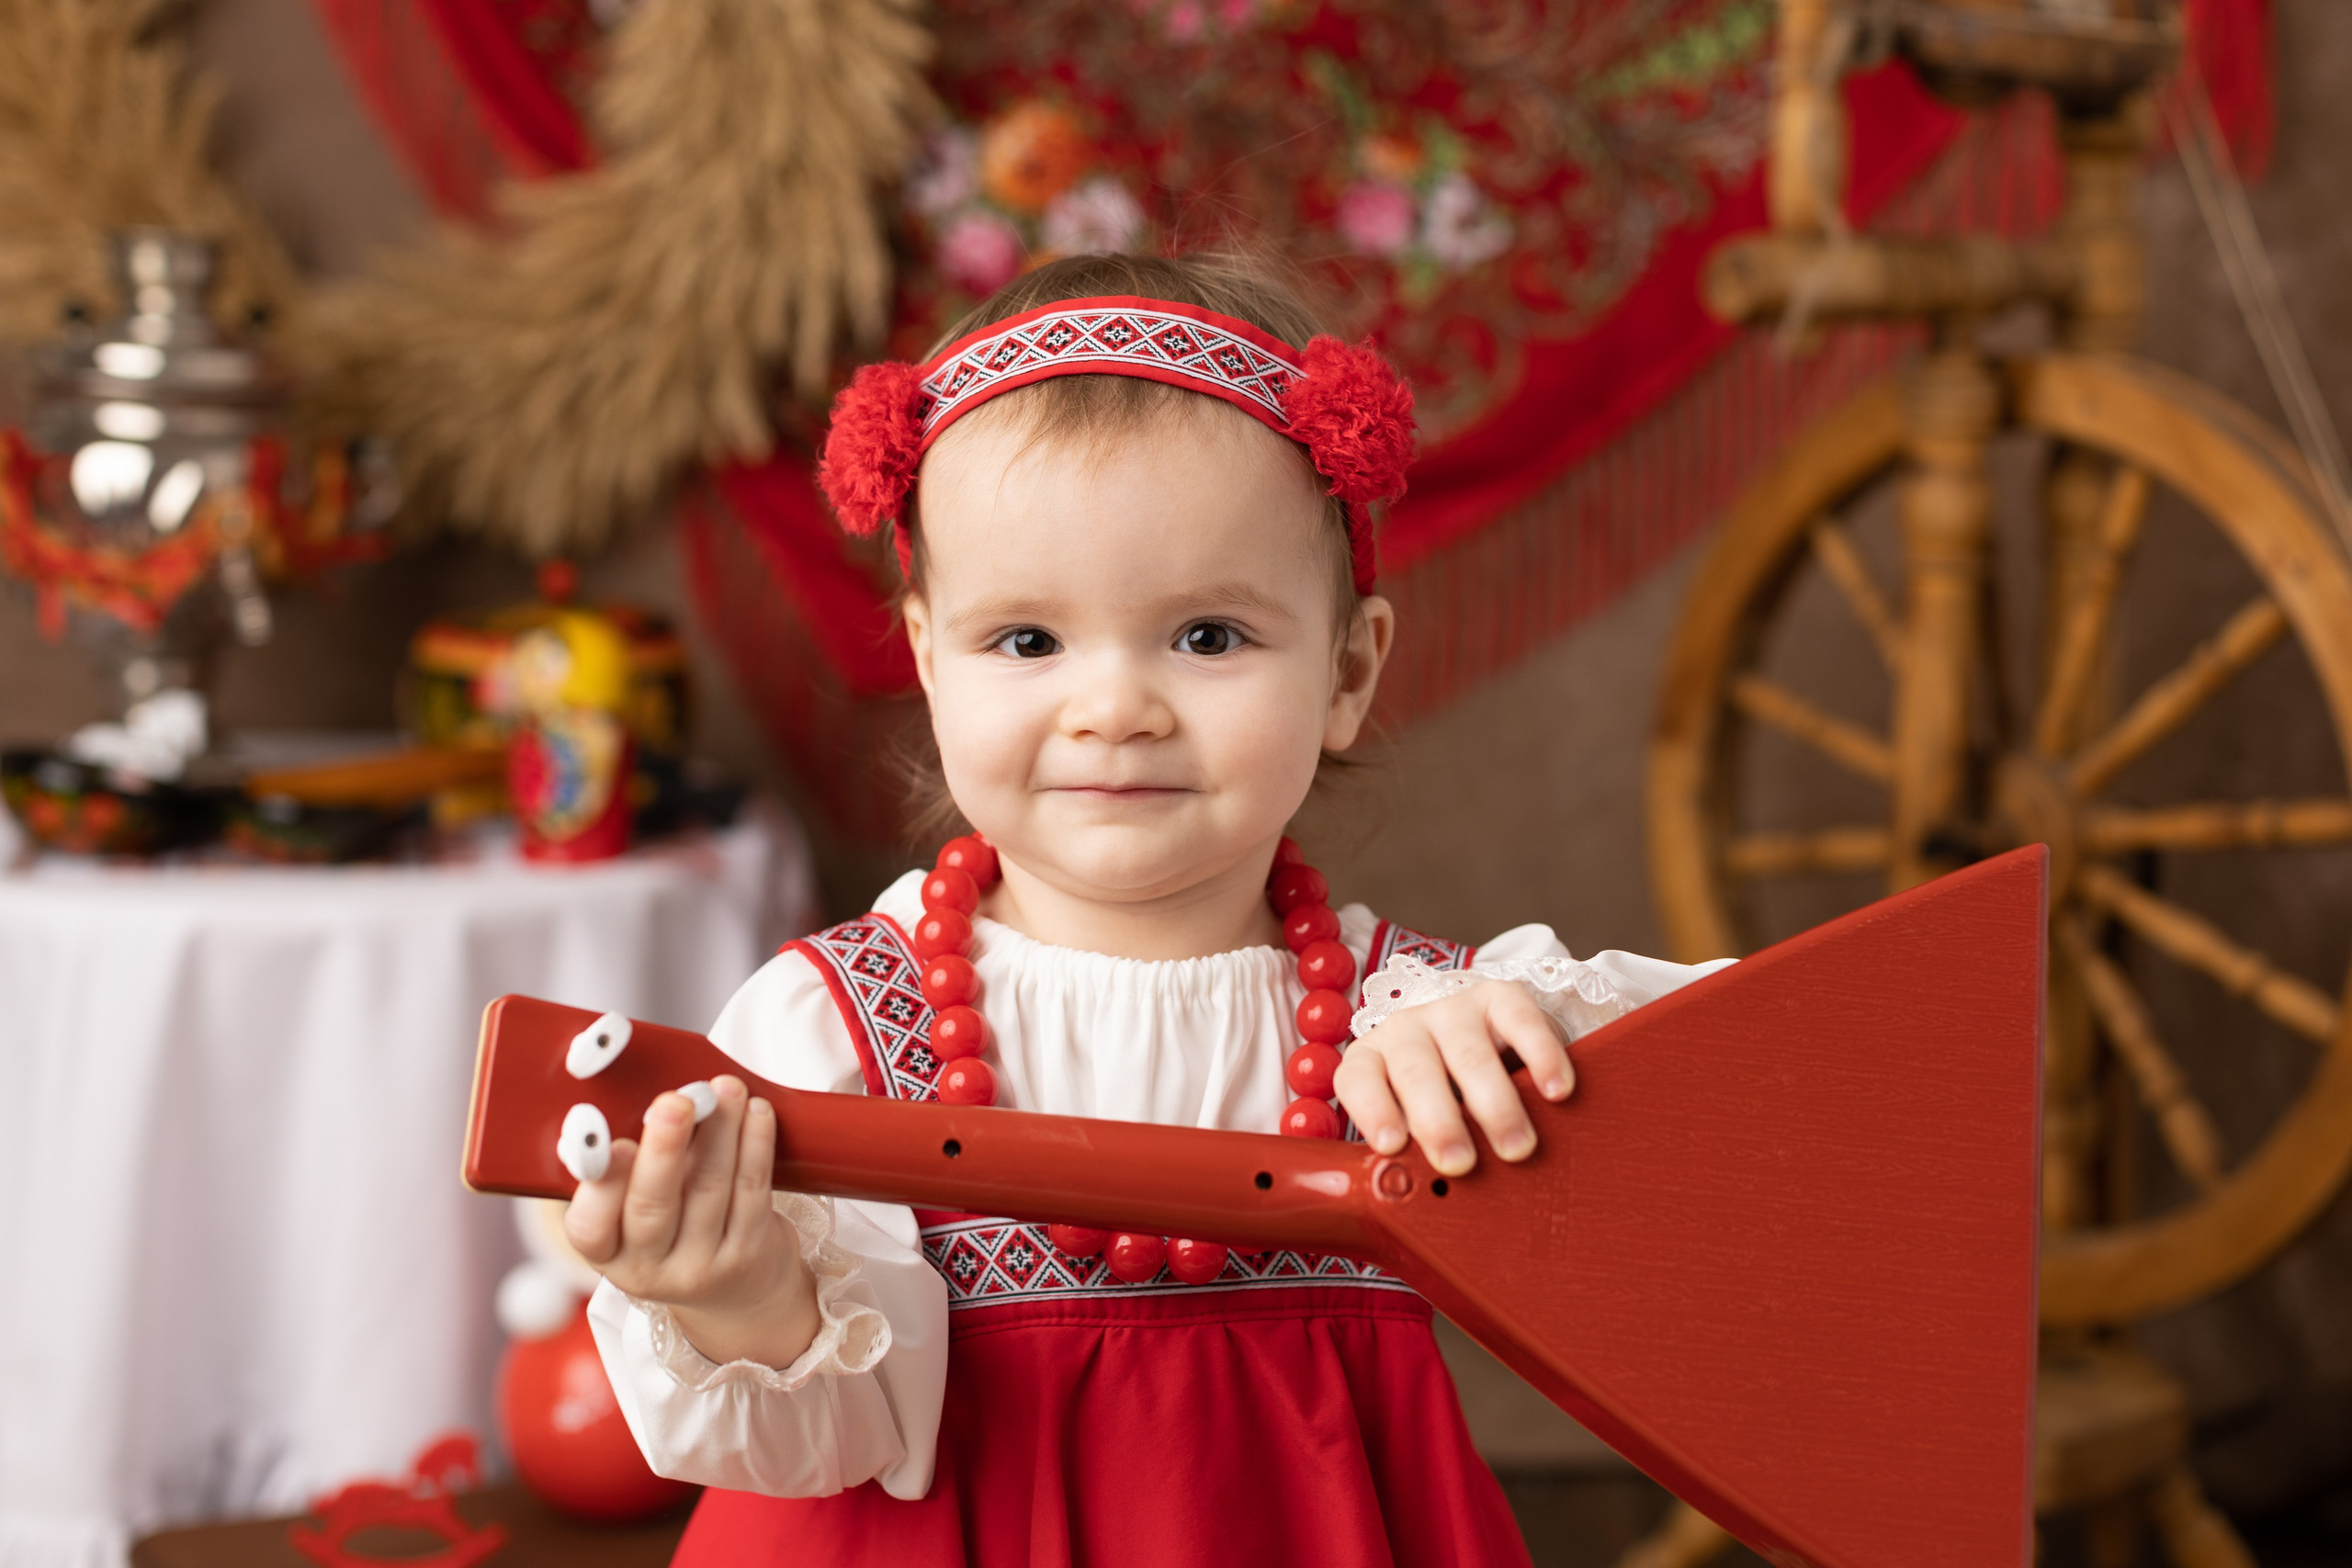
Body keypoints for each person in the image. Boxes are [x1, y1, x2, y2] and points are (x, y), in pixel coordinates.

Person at [564, 252, 1734, 1565]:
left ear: (1349, 672)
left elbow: (1754, 1110)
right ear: (929, 665)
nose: (1113, 706)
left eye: (1208, 636)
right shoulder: (836, 1035)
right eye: (1026, 641)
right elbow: (827, 1447)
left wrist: (1514, 1048)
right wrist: (740, 1294)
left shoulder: (1408, 1034)